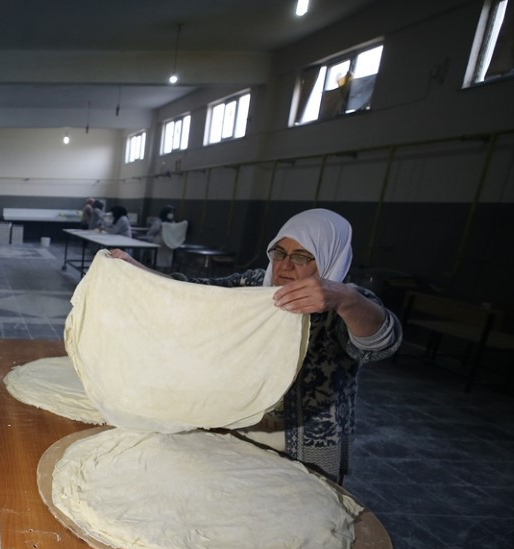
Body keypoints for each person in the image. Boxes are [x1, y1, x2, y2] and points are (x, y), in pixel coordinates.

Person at [108, 208, 401, 485]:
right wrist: (138, 270)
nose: (285, 266)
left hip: (311, 444)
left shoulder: (346, 302)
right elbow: (195, 293)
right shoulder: (255, 286)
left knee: (304, 509)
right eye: (279, 253)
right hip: (243, 431)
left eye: (301, 257)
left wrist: (346, 300)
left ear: (328, 258)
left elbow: (381, 343)